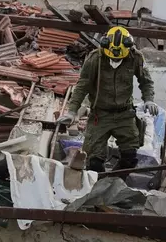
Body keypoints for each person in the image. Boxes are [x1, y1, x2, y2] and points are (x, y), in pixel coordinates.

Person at [58, 26, 158, 173]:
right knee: (94, 161)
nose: (115, 60)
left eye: (119, 58)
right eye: (112, 58)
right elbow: (82, 86)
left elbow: (146, 81)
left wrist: (149, 99)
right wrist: (72, 111)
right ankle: (98, 185)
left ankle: (116, 183)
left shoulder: (135, 58)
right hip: (100, 115)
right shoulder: (94, 59)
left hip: (125, 115)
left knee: (130, 157)